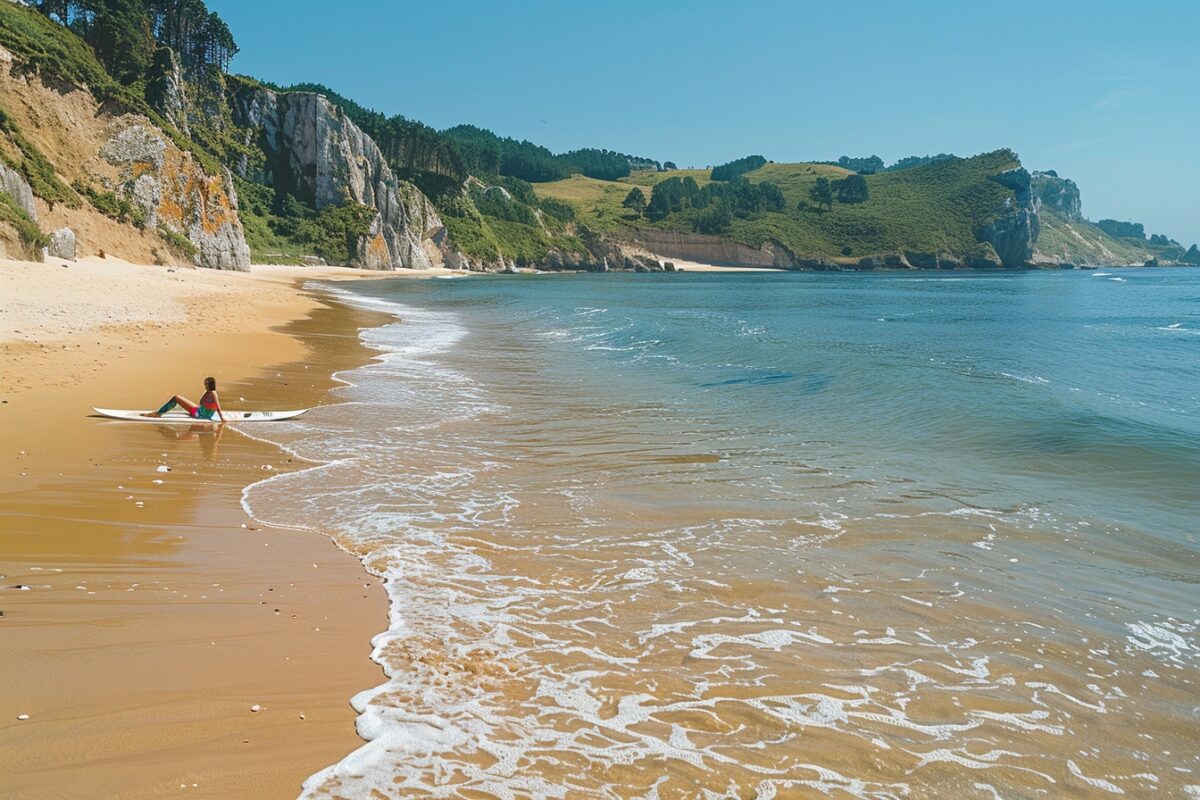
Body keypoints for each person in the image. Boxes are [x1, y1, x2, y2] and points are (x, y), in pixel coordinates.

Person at [142, 377, 226, 423]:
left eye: (206, 383)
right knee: (180, 399)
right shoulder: (209, 392)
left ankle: (158, 413)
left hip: (199, 414)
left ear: (210, 384)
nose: (204, 384)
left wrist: (222, 418)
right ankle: (159, 412)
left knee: (176, 398)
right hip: (200, 412)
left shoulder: (212, 393)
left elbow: (217, 405)